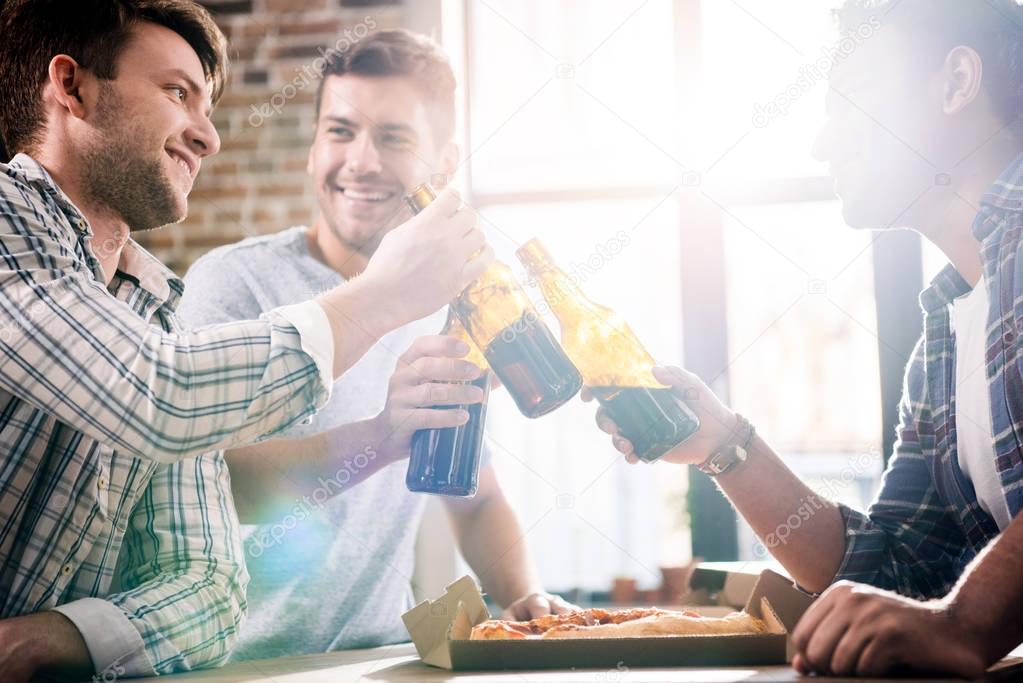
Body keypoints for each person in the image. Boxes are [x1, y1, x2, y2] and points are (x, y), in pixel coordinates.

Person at [0, 3, 491, 681]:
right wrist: (381, 299)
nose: (208, 135)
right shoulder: (5, 222)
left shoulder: (157, 303)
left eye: (208, 106)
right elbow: (159, 393)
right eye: (178, 93)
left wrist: (46, 639)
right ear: (73, 86)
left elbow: (206, 587)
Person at [594, 0, 1023, 677]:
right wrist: (724, 445)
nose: (824, 142)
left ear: (954, 82)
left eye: (853, 99)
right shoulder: (944, 332)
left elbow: (946, 617)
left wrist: (965, 623)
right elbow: (897, 573)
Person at [178, 29, 572, 660]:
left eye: (394, 138)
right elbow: (207, 487)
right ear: (312, 151)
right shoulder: (233, 283)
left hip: (377, 658)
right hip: (235, 664)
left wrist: (524, 593)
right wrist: (383, 438)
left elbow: (473, 494)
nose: (361, 161)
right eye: (340, 131)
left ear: (443, 163)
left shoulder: (451, 305)